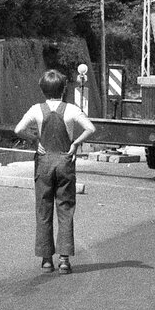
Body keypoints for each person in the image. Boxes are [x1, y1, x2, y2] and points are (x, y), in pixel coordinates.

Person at [14, 68, 96, 274]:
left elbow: (18, 130)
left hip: (43, 162)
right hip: (64, 162)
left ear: (42, 89)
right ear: (63, 89)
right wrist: (75, 144)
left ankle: (46, 259)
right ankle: (64, 260)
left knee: (43, 209)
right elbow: (90, 128)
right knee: (65, 209)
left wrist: (35, 140)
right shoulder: (71, 110)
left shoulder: (36, 109)